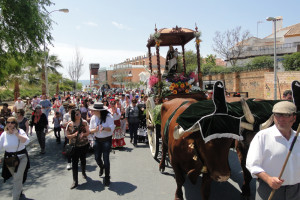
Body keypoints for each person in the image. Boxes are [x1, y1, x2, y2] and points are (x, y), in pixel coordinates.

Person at [246, 101, 300, 200]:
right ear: (273, 117)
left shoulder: (299, 137)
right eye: (278, 115)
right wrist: (268, 179)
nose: (281, 119)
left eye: (286, 115)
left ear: (294, 118)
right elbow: (252, 164)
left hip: (297, 191)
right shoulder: (262, 136)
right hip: (269, 189)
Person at [0, 116, 30, 200]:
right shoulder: (4, 134)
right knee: (17, 177)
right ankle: (19, 190)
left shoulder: (20, 131)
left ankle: (15, 198)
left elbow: (26, 141)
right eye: (8, 122)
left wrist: (17, 134)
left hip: (22, 157)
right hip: (10, 159)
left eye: (12, 122)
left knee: (17, 177)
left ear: (15, 124)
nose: (10, 124)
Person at [89, 102, 115, 186]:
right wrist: (96, 130)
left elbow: (111, 129)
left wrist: (103, 128)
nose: (92, 111)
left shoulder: (109, 117)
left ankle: (107, 177)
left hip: (106, 140)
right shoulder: (93, 118)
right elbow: (90, 130)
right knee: (97, 158)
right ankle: (101, 167)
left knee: (106, 159)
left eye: (94, 110)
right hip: (97, 140)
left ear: (99, 111)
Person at [66, 109, 90, 189]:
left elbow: (88, 132)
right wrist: (74, 135)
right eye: (76, 114)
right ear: (73, 115)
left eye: (79, 114)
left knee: (83, 160)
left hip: (84, 145)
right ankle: (75, 181)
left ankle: (83, 172)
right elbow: (67, 136)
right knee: (74, 163)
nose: (79, 115)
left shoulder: (84, 122)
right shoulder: (70, 124)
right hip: (74, 146)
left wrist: (83, 134)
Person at [62, 103, 75, 170]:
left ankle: (74, 161)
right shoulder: (66, 115)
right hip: (69, 134)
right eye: (72, 108)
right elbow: (63, 124)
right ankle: (69, 162)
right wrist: (69, 122)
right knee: (69, 149)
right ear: (69, 108)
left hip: (75, 135)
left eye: (74, 108)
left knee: (76, 149)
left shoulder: (76, 114)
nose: (73, 109)